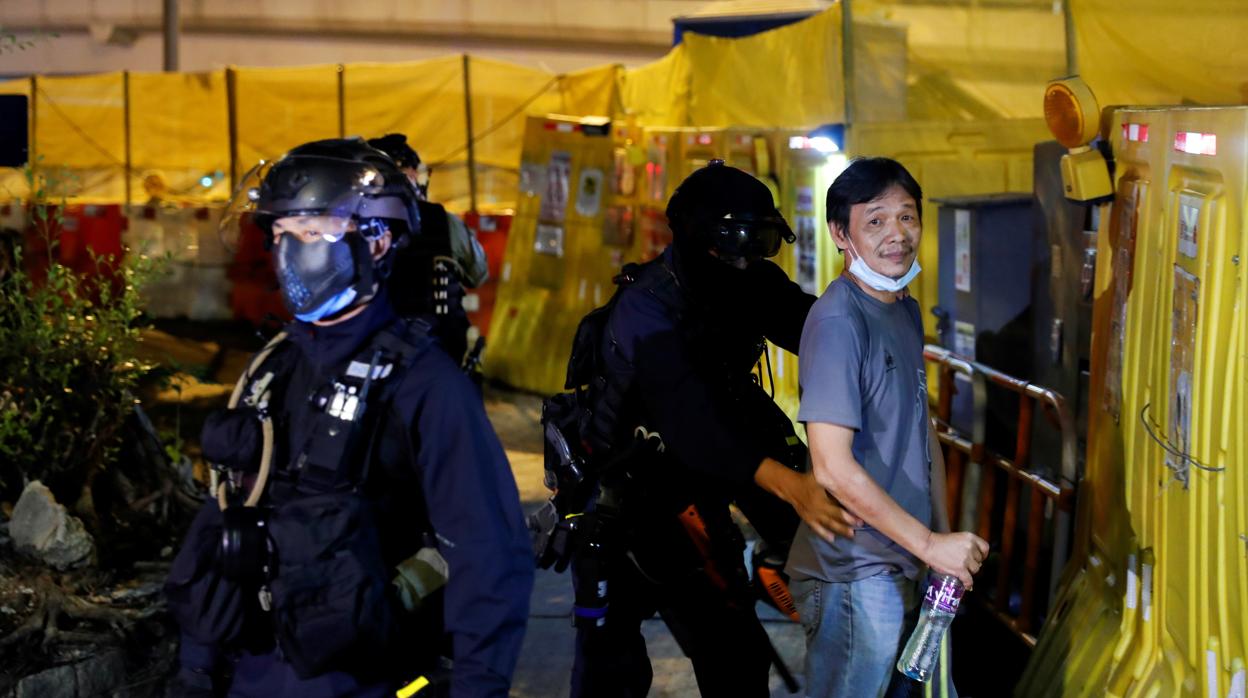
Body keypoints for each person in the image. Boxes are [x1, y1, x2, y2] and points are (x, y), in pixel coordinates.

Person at [165, 138, 533, 698]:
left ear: (379, 239)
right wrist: (196, 664)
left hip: (363, 676)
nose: (292, 251)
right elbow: (223, 523)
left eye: (313, 232)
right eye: (283, 234)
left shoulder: (425, 386)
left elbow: (491, 556)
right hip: (253, 673)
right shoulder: (274, 368)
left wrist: (479, 687)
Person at [560, 161, 860, 698]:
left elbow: (822, 333)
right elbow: (692, 424)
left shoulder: (749, 282)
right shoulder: (645, 311)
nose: (746, 258)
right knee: (611, 674)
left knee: (734, 656)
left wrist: (879, 321)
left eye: (762, 241)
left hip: (696, 484)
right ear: (698, 239)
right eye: (734, 242)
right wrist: (796, 489)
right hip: (623, 503)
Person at [785, 157, 989, 698]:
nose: (897, 234)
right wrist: (929, 544)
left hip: (904, 560)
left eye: (907, 217)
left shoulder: (902, 310)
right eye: (875, 220)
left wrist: (941, 547)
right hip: (854, 573)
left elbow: (922, 435)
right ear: (840, 234)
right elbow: (831, 466)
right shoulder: (837, 322)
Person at [368, 133, 488, 366]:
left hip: (371, 356)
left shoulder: (348, 224)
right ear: (410, 174)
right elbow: (479, 273)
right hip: (439, 355)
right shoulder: (442, 221)